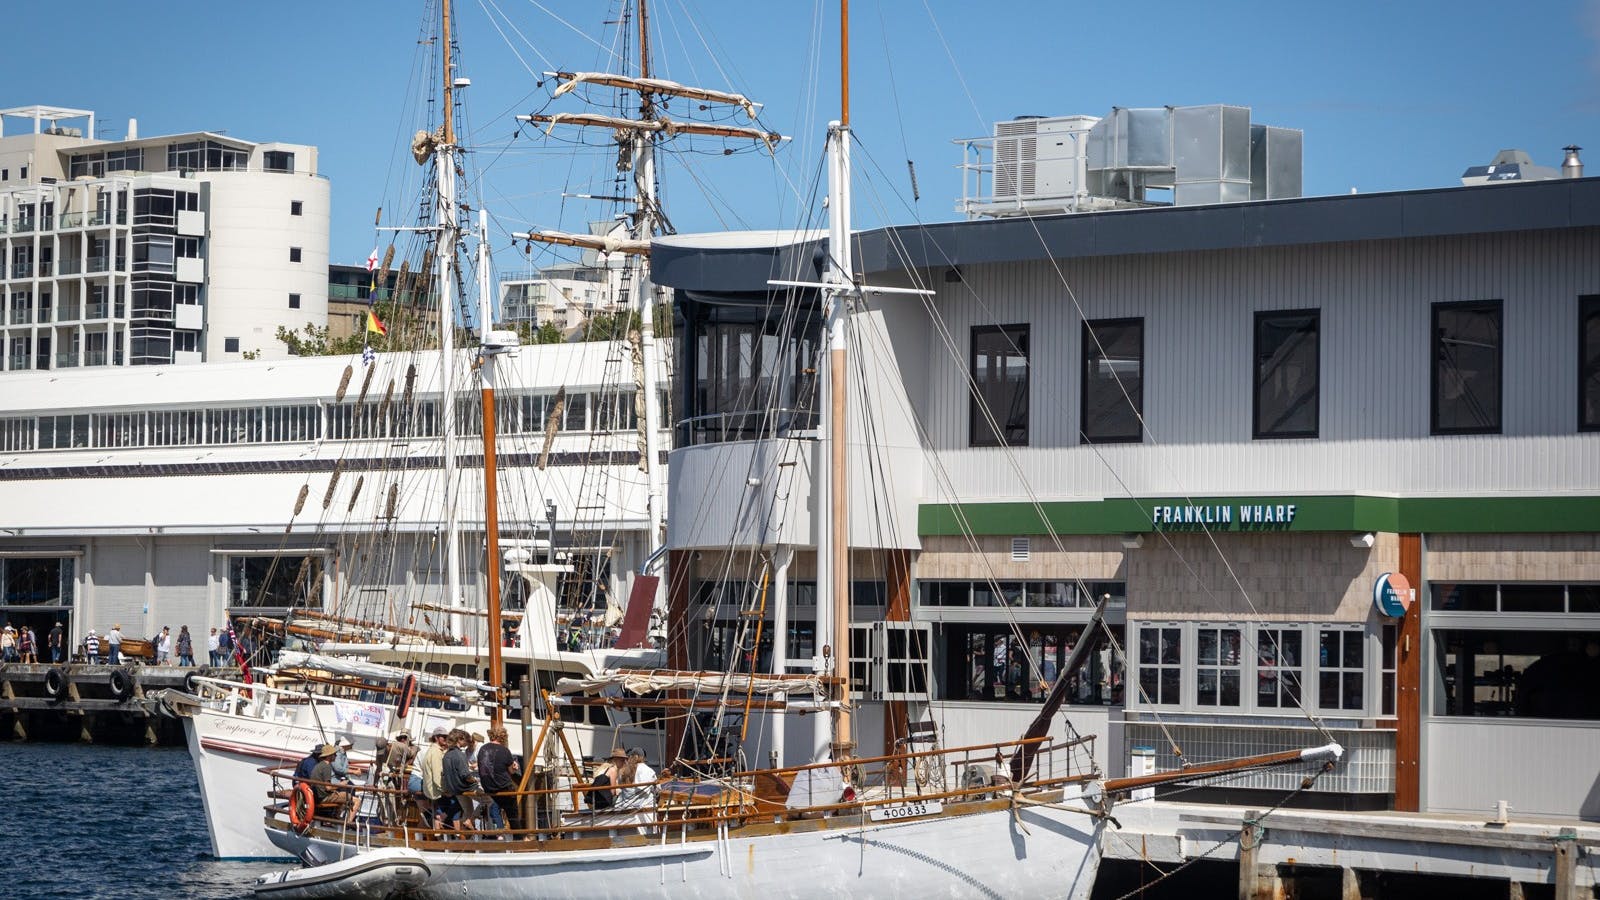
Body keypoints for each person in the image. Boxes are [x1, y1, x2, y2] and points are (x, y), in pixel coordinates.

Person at [476, 725, 522, 831]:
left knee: (495, 808)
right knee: (513, 814)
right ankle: (519, 838)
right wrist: (515, 766)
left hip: (488, 787)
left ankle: (500, 833)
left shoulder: (482, 749)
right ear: (503, 737)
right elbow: (511, 770)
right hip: (502, 787)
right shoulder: (504, 750)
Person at [440, 728, 478, 832]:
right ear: (460, 740)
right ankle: (470, 821)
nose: (467, 743)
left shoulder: (446, 755)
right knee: (489, 801)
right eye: (466, 741)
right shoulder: (460, 755)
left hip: (455, 790)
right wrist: (475, 781)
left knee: (468, 811)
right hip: (465, 788)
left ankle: (466, 836)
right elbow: (465, 775)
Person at [308, 743, 355, 824]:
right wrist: (341, 784)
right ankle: (348, 824)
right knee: (355, 800)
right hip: (324, 797)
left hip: (318, 796)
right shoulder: (326, 767)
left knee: (342, 795)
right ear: (329, 756)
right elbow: (328, 788)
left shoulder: (319, 765)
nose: (336, 756)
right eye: (334, 754)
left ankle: (335, 818)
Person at [417, 725, 450, 829]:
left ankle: (437, 830)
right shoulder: (436, 752)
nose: (446, 739)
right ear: (436, 738)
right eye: (443, 737)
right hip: (436, 791)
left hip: (430, 790)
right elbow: (437, 776)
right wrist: (445, 790)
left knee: (439, 812)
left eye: (446, 737)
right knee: (457, 805)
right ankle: (446, 834)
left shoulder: (432, 750)